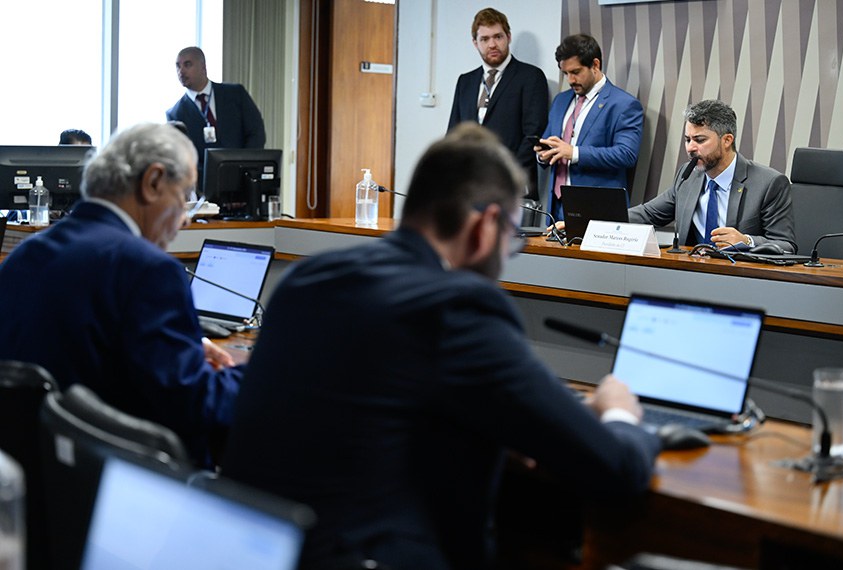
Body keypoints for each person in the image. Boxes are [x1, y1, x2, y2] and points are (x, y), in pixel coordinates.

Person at [221, 124, 661, 570]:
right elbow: (614, 469)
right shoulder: (457, 306)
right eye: (512, 238)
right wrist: (620, 410)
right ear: (485, 226)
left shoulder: (309, 278)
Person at [0, 123, 242, 465]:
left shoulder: (25, 255)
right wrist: (261, 370)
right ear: (153, 182)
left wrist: (178, 344)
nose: (186, 218)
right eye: (185, 195)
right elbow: (197, 406)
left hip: (42, 482)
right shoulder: (148, 269)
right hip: (131, 486)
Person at [629, 100, 797, 253]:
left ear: (727, 140)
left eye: (699, 140)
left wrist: (746, 240)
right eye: (687, 140)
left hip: (743, 278)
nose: (690, 148)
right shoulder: (687, 176)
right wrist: (605, 216)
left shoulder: (769, 183)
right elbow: (646, 214)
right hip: (693, 274)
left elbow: (786, 245)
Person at [536, 34, 643, 221]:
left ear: (595, 64)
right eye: (565, 73)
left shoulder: (624, 104)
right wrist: (543, 155)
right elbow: (550, 142)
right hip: (556, 208)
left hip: (599, 209)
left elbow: (626, 154)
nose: (570, 80)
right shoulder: (561, 100)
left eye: (575, 72)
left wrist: (574, 153)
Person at [448, 7, 548, 198]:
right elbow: (454, 133)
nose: (492, 44)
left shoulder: (530, 77)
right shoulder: (465, 81)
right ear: (475, 43)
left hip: (512, 187)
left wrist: (506, 176)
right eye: (484, 39)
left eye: (498, 37)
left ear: (508, 37)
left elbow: (533, 134)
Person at [166, 46, 266, 188]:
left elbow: (256, 133)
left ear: (203, 67)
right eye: (178, 66)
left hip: (245, 182)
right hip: (206, 190)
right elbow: (183, 159)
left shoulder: (236, 94)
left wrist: (245, 170)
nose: (181, 71)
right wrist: (213, 182)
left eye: (187, 64)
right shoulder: (175, 114)